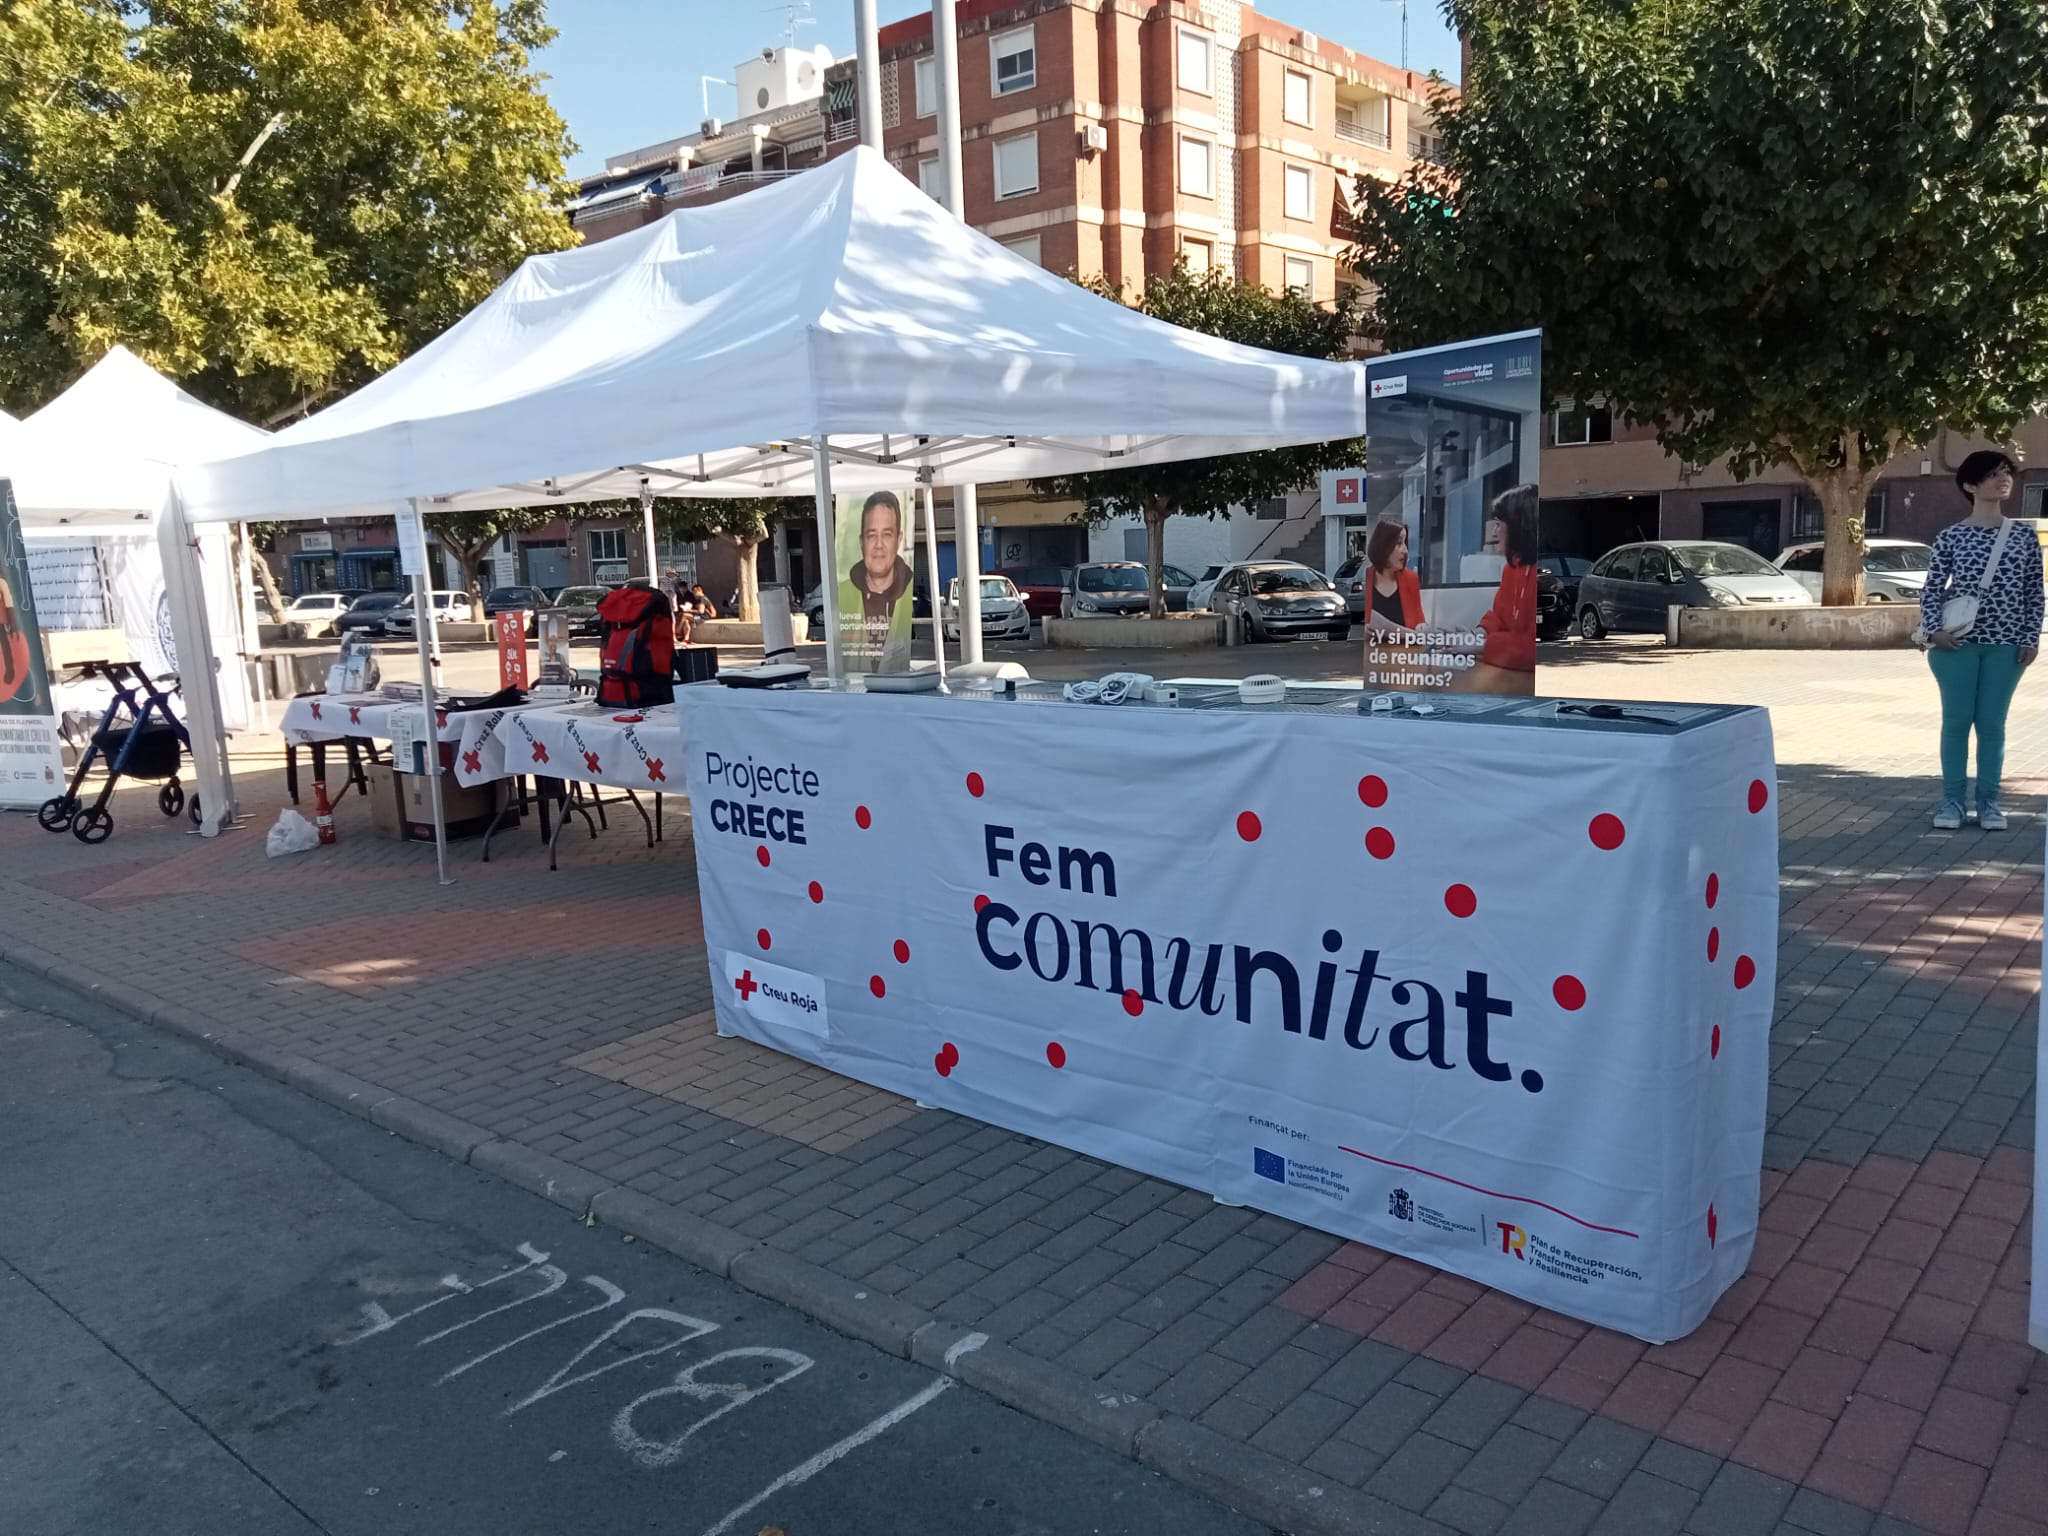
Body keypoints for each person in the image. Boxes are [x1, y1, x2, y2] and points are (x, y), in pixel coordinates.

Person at [1920, 449, 2041, 830]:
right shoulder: (1952, 536)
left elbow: (2033, 591)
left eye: (2007, 472)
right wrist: (1933, 630)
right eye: (1992, 474)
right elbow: (1932, 588)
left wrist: (2030, 636)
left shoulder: (2023, 536)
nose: (2003, 479)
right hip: (1957, 645)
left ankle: (1989, 802)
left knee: (1992, 724)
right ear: (1970, 485)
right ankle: (1952, 802)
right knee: (1956, 722)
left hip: (2006, 646)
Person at [1455, 483, 1540, 696]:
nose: (1494, 532)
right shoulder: (1513, 568)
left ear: (1518, 526)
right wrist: (1475, 635)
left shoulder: (1538, 574)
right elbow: (1499, 616)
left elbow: (1532, 647)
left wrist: (1482, 646)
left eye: (1498, 524)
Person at [838, 490, 914, 673]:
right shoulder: (842, 593)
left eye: (887, 534)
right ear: (861, 541)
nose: (879, 544)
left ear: (899, 539)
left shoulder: (909, 590)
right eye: (871, 535)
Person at [1362, 518, 1424, 635]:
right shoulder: (1367, 577)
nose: (1405, 550)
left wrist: (1422, 626)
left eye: (1405, 543)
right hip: (1373, 651)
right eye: (1399, 543)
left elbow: (1419, 619)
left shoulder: (1411, 579)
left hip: (1404, 651)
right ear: (1383, 545)